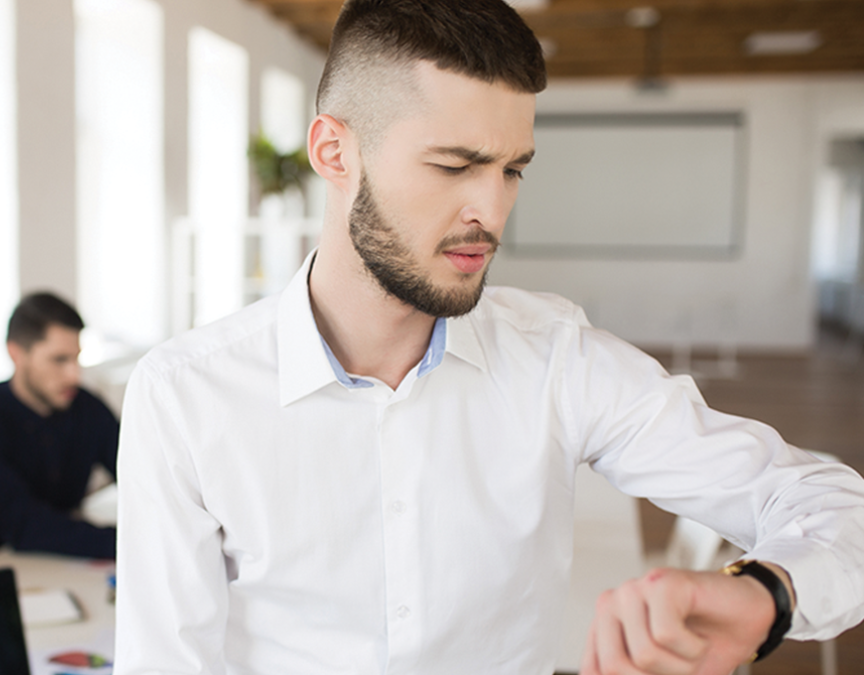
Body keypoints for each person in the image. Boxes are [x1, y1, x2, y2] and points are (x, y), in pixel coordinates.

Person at [113, 1, 864, 674]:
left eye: (512, 171)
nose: (493, 211)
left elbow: (832, 506)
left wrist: (768, 592)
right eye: (455, 165)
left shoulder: (557, 358)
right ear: (334, 153)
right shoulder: (184, 395)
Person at [0, 292, 119, 569]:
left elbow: (138, 472)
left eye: (76, 359)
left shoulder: (86, 408)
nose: (74, 374)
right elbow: (25, 525)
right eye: (59, 360)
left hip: (55, 566)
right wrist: (128, 542)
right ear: (16, 354)